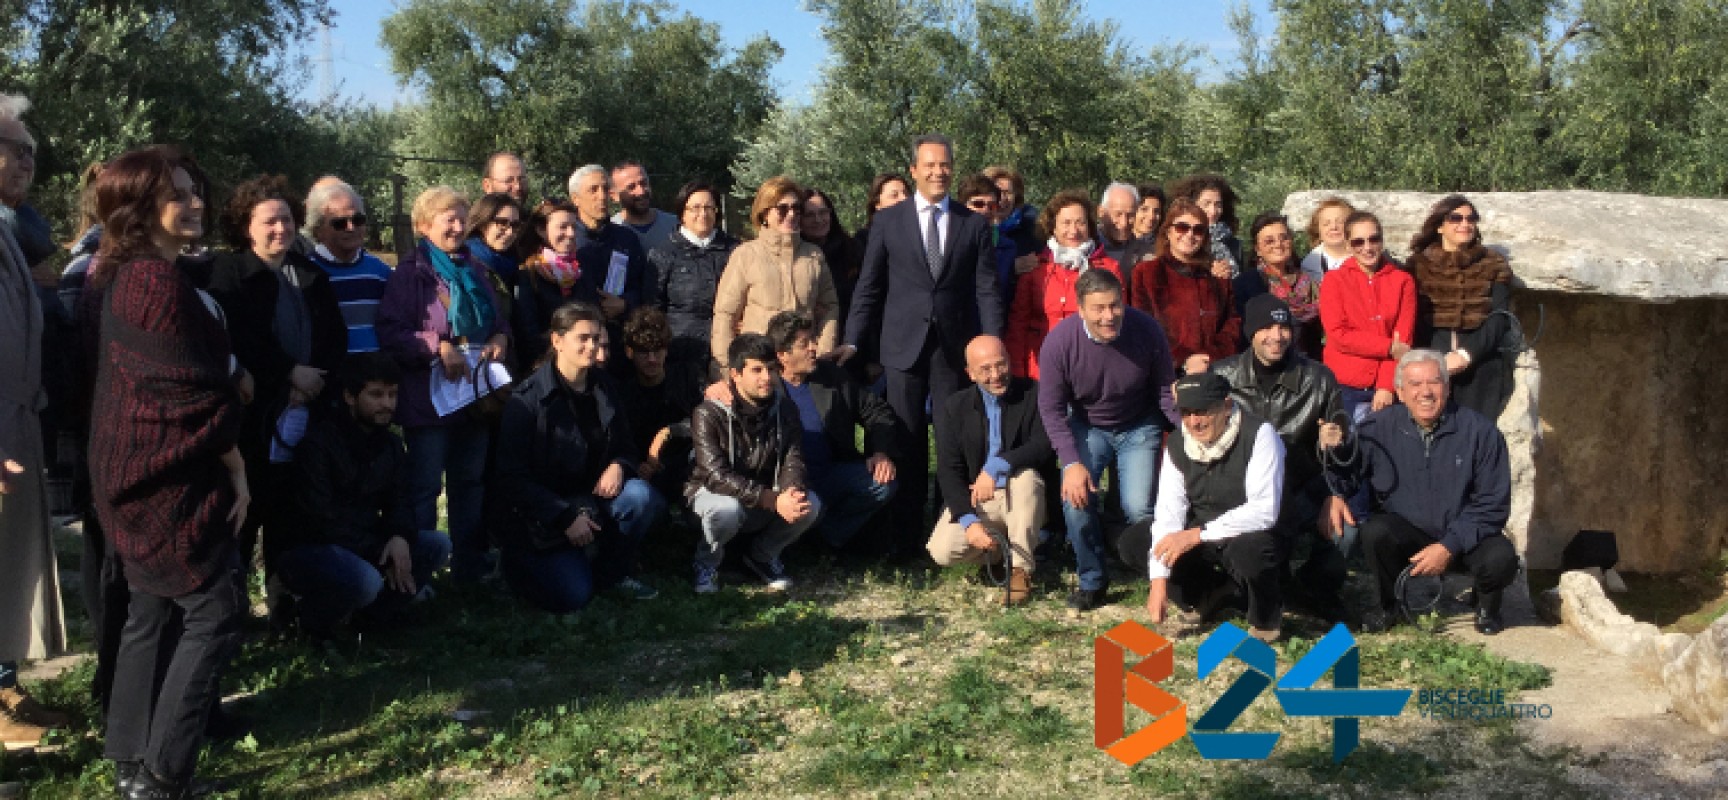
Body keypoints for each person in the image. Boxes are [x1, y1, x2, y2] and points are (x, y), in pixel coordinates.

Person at [87, 146, 246, 798]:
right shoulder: (151, 283)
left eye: (194, 190)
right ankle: (161, 777)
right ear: (141, 208)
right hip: (165, 479)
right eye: (177, 195)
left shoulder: (134, 275)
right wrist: (234, 456)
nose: (196, 203)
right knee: (214, 610)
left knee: (151, 612)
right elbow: (186, 388)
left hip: (135, 475)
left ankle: (130, 757)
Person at [840, 133, 1005, 561]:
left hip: (954, 348)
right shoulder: (888, 222)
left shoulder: (973, 224)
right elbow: (869, 287)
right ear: (914, 170)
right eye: (929, 165)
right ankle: (905, 538)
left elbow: (986, 289)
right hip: (902, 348)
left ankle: (951, 530)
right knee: (906, 439)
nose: (938, 172)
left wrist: (992, 343)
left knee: (956, 439)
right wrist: (854, 340)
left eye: (945, 164)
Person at [206, 174, 348, 580]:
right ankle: (230, 607)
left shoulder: (309, 274)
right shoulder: (229, 273)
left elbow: (333, 337)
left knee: (291, 517)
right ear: (245, 225)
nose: (280, 228)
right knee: (243, 517)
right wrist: (287, 373)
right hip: (252, 416)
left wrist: (313, 382)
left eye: (286, 219)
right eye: (269, 221)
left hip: (305, 411)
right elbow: (235, 337)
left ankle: (284, 609)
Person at [1324, 349, 1518, 635]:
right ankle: (1389, 607)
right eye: (1415, 384)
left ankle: (1487, 607)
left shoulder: (1481, 432)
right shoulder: (1376, 428)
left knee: (1501, 558)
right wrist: (1334, 455)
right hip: (1409, 531)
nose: (1425, 392)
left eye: (1434, 383)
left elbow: (1492, 505)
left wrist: (1449, 545)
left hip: (1463, 537)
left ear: (1447, 387)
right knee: (1376, 532)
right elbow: (1350, 478)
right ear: (1400, 392)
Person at [377, 186, 509, 585]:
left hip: (473, 398)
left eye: (460, 217)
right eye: (446, 219)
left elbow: (496, 320)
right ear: (423, 226)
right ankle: (419, 575)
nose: (456, 226)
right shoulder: (410, 274)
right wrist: (438, 346)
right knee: (425, 487)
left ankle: (469, 568)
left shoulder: (475, 270)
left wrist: (501, 338)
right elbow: (391, 330)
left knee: (469, 482)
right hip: (428, 400)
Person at [493, 302, 665, 610]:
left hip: (592, 502)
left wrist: (618, 465)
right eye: (582, 338)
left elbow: (627, 447)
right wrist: (563, 516)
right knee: (572, 596)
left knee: (641, 497)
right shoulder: (528, 400)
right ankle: (520, 567)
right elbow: (511, 477)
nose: (592, 346)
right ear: (557, 341)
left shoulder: (606, 388)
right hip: (543, 514)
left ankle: (611, 572)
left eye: (596, 339)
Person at [275, 354, 450, 637]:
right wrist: (380, 551)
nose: (387, 404)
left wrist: (399, 537)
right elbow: (320, 519)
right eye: (376, 394)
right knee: (366, 580)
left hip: (366, 541)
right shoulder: (318, 445)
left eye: (393, 394)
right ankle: (306, 623)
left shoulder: (391, 445)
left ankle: (373, 621)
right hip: (313, 548)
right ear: (349, 396)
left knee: (437, 545)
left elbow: (400, 500)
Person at [1037, 269, 1176, 611]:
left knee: (1137, 507)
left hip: (1138, 424)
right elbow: (1051, 409)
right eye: (1098, 308)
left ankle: (1156, 577)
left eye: (1115, 306)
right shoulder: (1059, 342)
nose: (1108, 316)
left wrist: (1189, 432)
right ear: (1080, 309)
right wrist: (1070, 463)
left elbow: (1164, 391)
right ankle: (1092, 578)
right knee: (1076, 499)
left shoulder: (1146, 330)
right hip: (1087, 425)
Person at [1209, 295, 1350, 622]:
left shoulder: (1319, 378)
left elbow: (1343, 457)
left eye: (1284, 327)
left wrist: (1336, 450)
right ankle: (1236, 586)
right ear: (1250, 332)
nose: (1276, 335)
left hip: (1301, 488)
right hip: (1239, 493)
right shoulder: (1222, 376)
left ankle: (1312, 590)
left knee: (1347, 529)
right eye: (1266, 327)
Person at [0, 169, 69, 751]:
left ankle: (4, 688)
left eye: (31, 154)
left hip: (18, 419)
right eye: (13, 151)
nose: (26, 162)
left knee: (8, 564)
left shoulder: (9, 227)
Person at [1140, 373, 1287, 642]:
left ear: (1227, 406)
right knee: (1137, 542)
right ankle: (1210, 596)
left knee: (1251, 550)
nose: (1194, 422)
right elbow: (1168, 513)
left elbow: (1264, 510)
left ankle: (1265, 616)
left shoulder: (1260, 434)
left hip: (1253, 533)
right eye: (1186, 413)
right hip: (1205, 535)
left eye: (1203, 412)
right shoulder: (1177, 443)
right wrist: (1159, 582)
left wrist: (1195, 535)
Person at [687, 333, 821, 593]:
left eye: (771, 369)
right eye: (756, 370)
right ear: (736, 374)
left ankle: (761, 557)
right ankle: (706, 563)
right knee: (725, 510)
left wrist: (791, 490)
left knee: (810, 504)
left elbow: (793, 458)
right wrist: (771, 499)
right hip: (713, 496)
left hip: (762, 496)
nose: (766, 377)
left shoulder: (785, 408)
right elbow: (714, 474)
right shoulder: (708, 412)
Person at [927, 335, 1053, 605]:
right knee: (941, 550)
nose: (996, 375)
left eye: (1001, 365)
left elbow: (1043, 445)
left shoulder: (1034, 394)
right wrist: (969, 522)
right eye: (985, 369)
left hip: (1021, 494)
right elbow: (949, 470)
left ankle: (1020, 571)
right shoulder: (955, 407)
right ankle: (999, 555)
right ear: (970, 374)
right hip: (980, 497)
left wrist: (997, 466)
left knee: (1027, 479)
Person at [766, 310, 900, 550]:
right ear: (782, 355)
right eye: (804, 344)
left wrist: (880, 451)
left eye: (813, 340)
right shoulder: (766, 386)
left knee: (882, 484)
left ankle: (824, 538)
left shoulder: (832, 376)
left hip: (830, 474)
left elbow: (876, 410)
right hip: (785, 482)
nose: (814, 348)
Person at [709, 176, 841, 366]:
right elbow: (725, 314)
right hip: (759, 364)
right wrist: (727, 365)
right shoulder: (745, 255)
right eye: (782, 209)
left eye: (797, 208)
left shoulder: (814, 256)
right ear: (764, 214)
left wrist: (823, 350)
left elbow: (830, 307)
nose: (791, 214)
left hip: (802, 363)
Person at [1405, 195, 1516, 420]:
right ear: (1439, 226)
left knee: (1476, 433)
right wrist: (1434, 359)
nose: (1465, 224)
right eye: (1455, 218)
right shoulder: (1417, 266)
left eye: (1471, 218)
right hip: (1432, 359)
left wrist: (1467, 354)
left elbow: (1500, 317)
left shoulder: (1493, 264)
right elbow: (1411, 318)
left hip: (1481, 362)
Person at [1005, 189, 1122, 380]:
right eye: (1066, 223)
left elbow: (1117, 322)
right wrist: (1018, 372)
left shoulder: (1108, 269)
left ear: (1090, 227)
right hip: (1041, 371)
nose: (1073, 231)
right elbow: (1019, 324)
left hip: (1090, 370)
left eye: (1080, 222)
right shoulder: (1036, 268)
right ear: (1053, 227)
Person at [1319, 211, 1416, 423]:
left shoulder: (1402, 281)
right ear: (1347, 246)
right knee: (1346, 449)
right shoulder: (1334, 281)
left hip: (1386, 384)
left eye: (1374, 239)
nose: (1367, 247)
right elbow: (1338, 335)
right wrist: (1388, 347)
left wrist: (1385, 385)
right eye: (1358, 242)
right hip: (1344, 384)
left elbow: (1404, 341)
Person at [1128, 198, 1241, 375]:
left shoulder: (1217, 276)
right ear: (1168, 232)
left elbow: (1232, 325)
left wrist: (1207, 358)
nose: (1190, 235)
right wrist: (1184, 359)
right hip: (1163, 374)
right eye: (1182, 227)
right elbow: (1142, 326)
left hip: (1213, 372)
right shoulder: (1145, 273)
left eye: (1198, 230)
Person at [614, 306, 706, 502]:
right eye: (644, 353)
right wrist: (637, 464)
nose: (652, 359)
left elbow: (706, 422)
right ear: (629, 352)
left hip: (688, 464)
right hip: (643, 473)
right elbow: (620, 439)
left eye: (658, 351)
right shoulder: (622, 393)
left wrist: (668, 432)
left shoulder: (687, 377)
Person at [648, 180, 739, 373]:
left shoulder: (735, 251)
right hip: (679, 352)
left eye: (709, 207)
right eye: (695, 208)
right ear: (682, 212)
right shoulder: (664, 253)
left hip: (727, 349)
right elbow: (653, 307)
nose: (703, 214)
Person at [563, 164, 649, 363]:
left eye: (604, 189)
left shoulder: (626, 239)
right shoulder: (566, 241)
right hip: (578, 346)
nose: (601, 196)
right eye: (593, 190)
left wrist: (625, 304)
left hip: (620, 343)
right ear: (575, 198)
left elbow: (642, 286)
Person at [304, 179, 392, 354]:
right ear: (318, 229)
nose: (351, 228)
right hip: (329, 376)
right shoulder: (305, 273)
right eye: (339, 223)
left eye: (358, 220)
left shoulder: (380, 272)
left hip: (376, 374)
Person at [516, 199, 598, 367]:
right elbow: (528, 332)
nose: (570, 234)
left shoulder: (580, 272)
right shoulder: (529, 275)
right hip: (547, 366)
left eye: (574, 227)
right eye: (562, 227)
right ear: (541, 230)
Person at [1240, 213, 1322, 357]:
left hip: (1308, 361)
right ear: (1258, 249)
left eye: (1284, 238)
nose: (1278, 244)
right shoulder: (1248, 284)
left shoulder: (1308, 281)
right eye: (1269, 241)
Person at [955, 174, 1018, 312]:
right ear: (962, 206)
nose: (985, 210)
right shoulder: (948, 243)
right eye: (978, 204)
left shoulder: (1008, 248)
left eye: (992, 205)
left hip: (992, 325)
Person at [1169, 174, 1242, 281]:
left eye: (1218, 204)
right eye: (1206, 204)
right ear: (1192, 205)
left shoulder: (1234, 244)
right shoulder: (1183, 239)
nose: (1213, 211)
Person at [463, 192, 528, 292]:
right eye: (502, 223)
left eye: (515, 225)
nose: (510, 232)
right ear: (483, 223)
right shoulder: (468, 263)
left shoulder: (516, 260)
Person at [609, 161, 677, 254]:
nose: (641, 191)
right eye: (631, 187)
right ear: (614, 196)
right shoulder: (609, 232)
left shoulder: (674, 225)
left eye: (643, 183)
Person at [984, 165, 1041, 259]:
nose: (1002, 198)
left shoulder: (1031, 229)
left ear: (1016, 197)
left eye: (1007, 193)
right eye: (996, 192)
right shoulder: (976, 228)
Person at [1300, 197, 1354, 282]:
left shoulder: (1366, 260)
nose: (1333, 227)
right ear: (1317, 230)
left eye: (1340, 222)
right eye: (1326, 224)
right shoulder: (1308, 267)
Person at [1096, 182, 1138, 267]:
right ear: (1101, 212)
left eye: (1130, 215)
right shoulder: (1085, 249)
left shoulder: (1145, 253)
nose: (1124, 223)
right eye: (1118, 214)